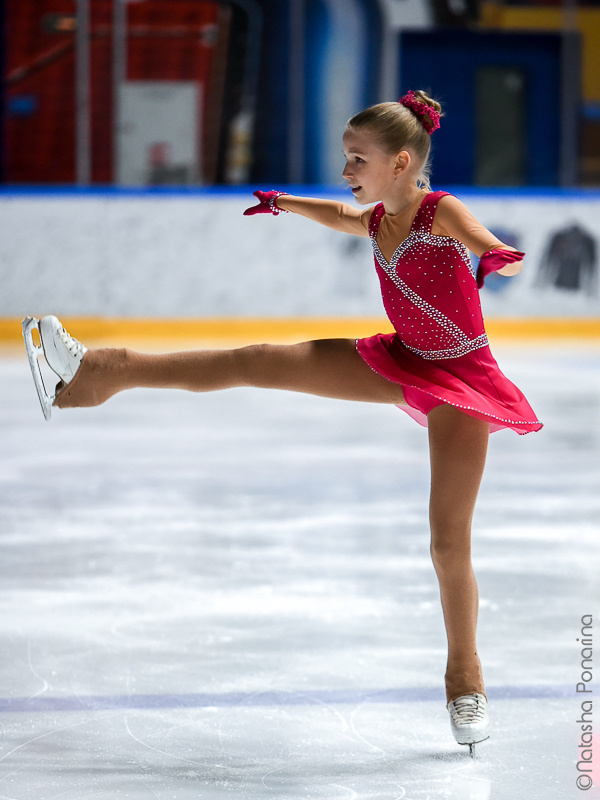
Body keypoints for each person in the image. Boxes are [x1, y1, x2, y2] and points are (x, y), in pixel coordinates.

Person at [23, 89, 542, 756]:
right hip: (399, 357)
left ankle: (464, 676)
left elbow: (476, 235)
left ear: (402, 161)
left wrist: (494, 254)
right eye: (347, 157)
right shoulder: (381, 218)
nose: (348, 170)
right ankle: (98, 373)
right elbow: (341, 215)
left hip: (460, 382)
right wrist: (284, 203)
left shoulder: (437, 213)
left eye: (359, 159)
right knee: (260, 357)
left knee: (447, 542)